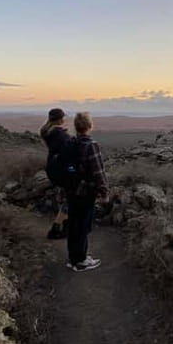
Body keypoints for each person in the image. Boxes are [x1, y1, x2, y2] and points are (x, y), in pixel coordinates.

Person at [65, 111, 109, 272]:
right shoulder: (91, 145)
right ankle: (81, 261)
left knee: (73, 223)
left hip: (71, 190)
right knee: (83, 224)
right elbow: (98, 171)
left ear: (76, 126)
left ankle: (73, 258)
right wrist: (104, 192)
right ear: (90, 126)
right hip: (85, 191)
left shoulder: (70, 143)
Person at [40, 108, 70, 239]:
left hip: (52, 167)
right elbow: (68, 151)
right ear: (60, 119)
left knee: (65, 198)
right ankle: (57, 229)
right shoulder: (60, 135)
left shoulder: (47, 132)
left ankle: (63, 227)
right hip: (61, 169)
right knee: (69, 199)